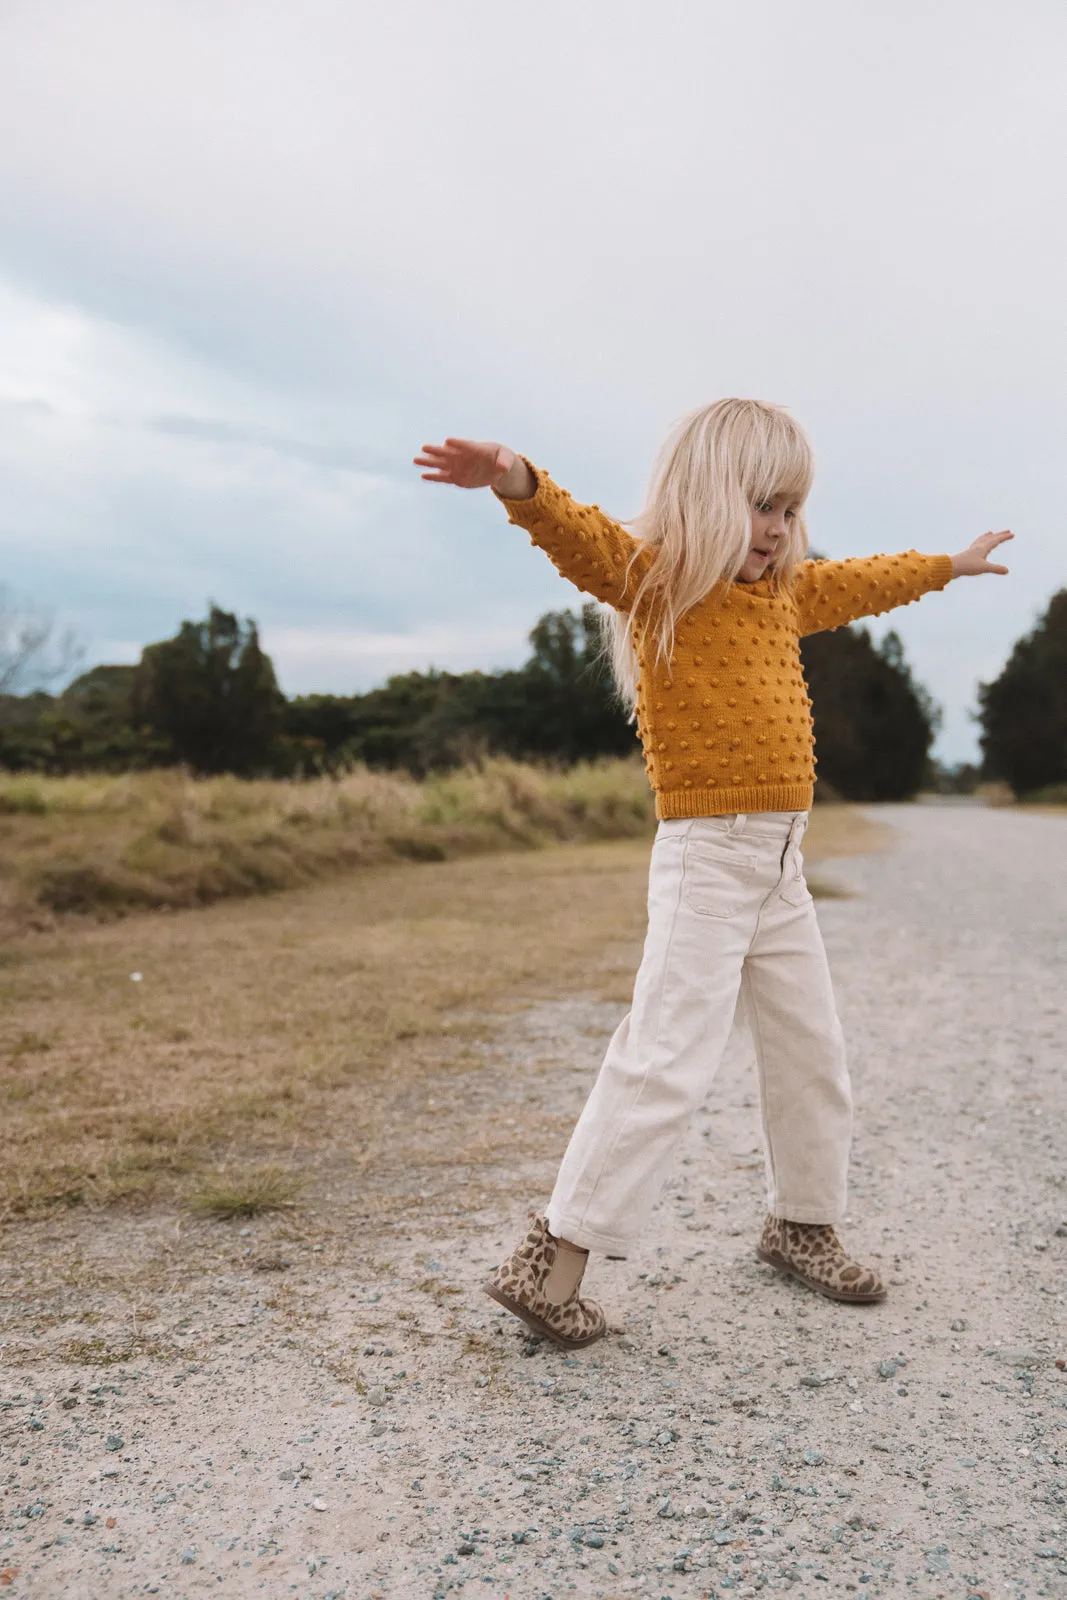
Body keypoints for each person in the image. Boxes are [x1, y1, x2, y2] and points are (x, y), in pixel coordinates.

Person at [414, 399, 1011, 1349]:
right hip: (706, 861)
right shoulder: (656, 583)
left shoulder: (784, 597)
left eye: (787, 509)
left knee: (813, 1054)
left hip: (781, 869)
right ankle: (552, 1262)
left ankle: (800, 1225)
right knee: (664, 1062)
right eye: (756, 505)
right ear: (700, 500)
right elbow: (582, 540)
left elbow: (861, 582)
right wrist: (516, 479)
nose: (774, 530)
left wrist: (948, 566)